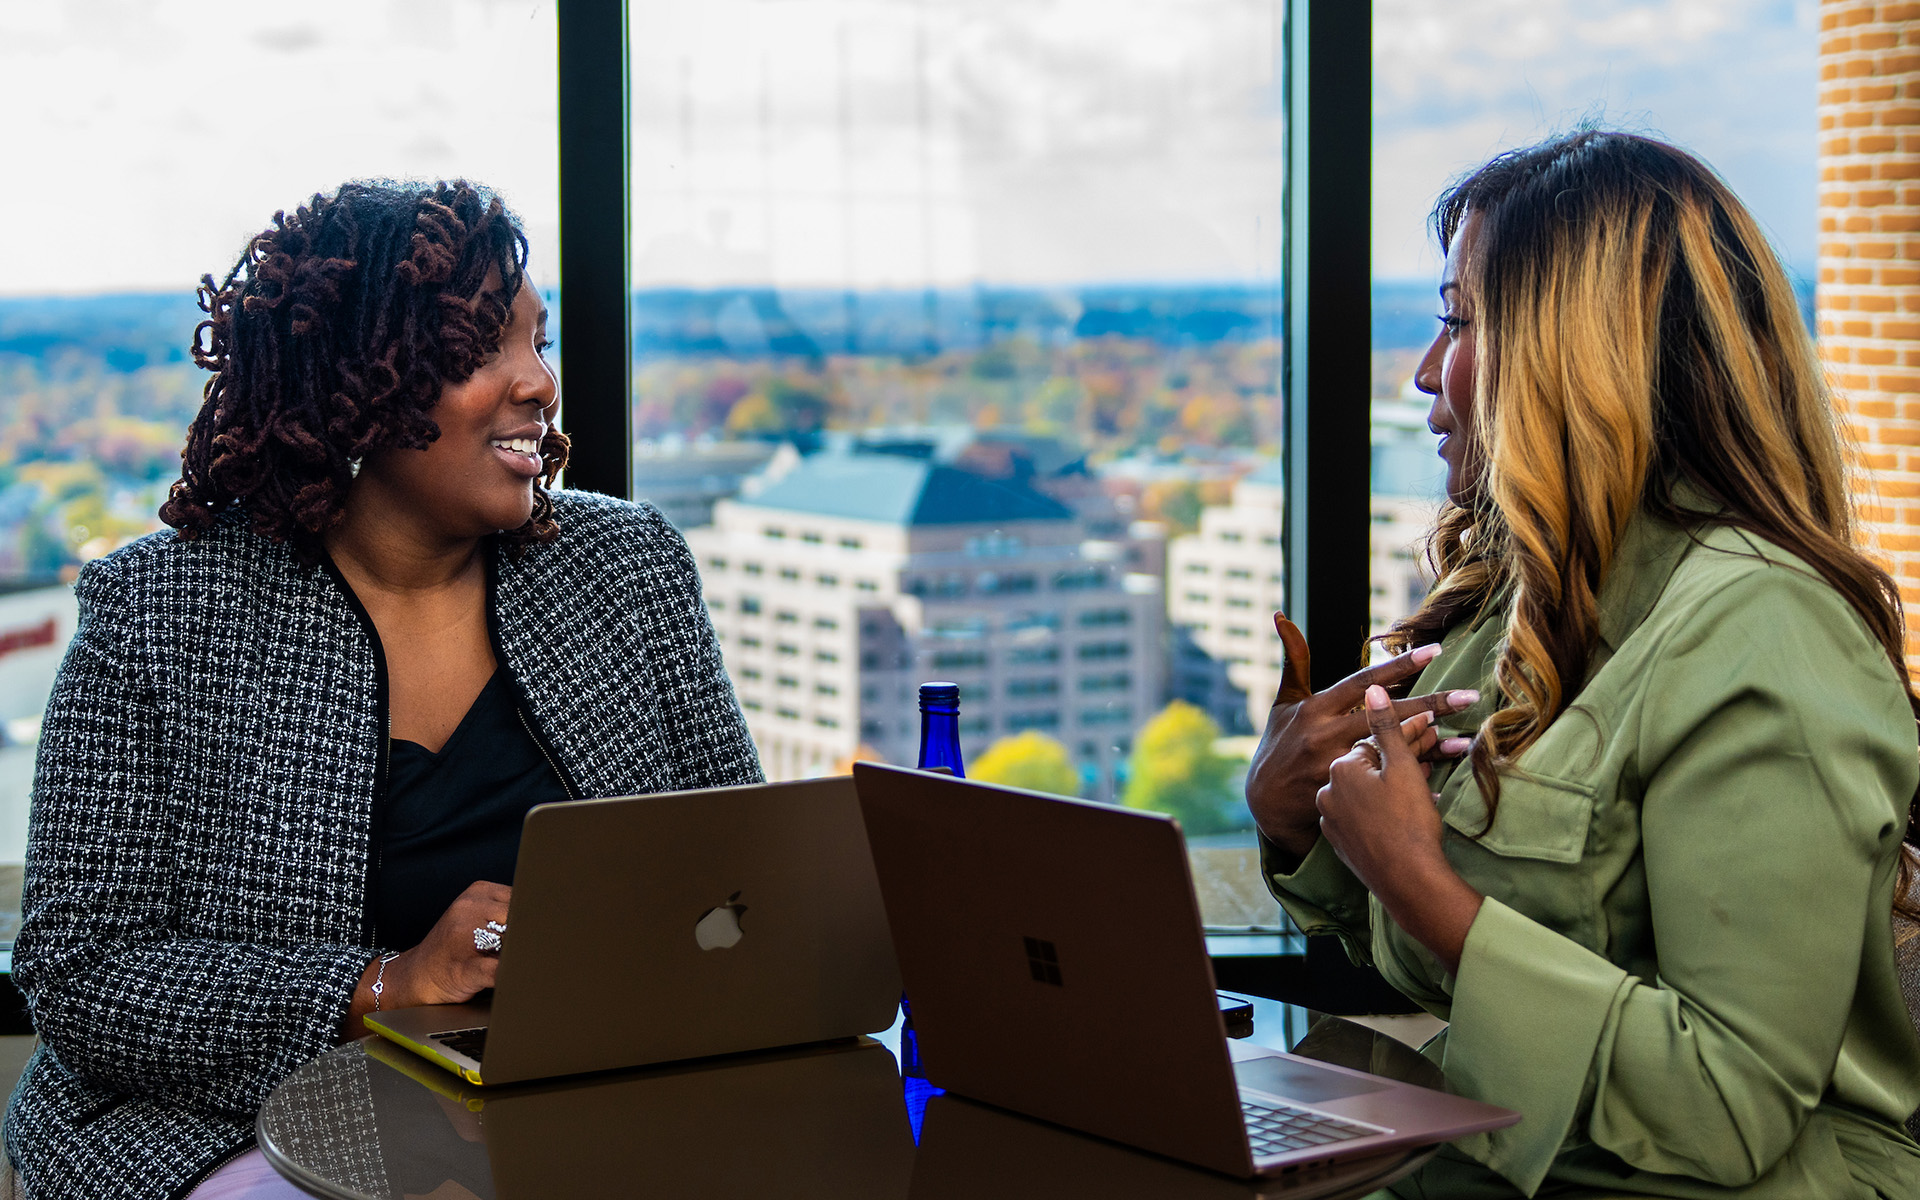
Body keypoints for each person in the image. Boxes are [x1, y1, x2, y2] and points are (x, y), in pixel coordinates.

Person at [3, 181, 762, 1199]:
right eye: (485, 347)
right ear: (360, 383)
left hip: (582, 1101)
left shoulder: (625, 569)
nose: (539, 383)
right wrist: (384, 987)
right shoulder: (160, 612)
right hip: (227, 1133)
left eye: (539, 343)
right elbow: (83, 971)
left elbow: (746, 876)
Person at [1249, 131, 1920, 1199]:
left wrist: (1419, 883)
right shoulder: (1533, 602)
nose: (1424, 372)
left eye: (1459, 323)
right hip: (1517, 1155)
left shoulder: (1766, 629)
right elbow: (1451, 952)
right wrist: (1302, 822)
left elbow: (1726, 1111)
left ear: (1574, 355)